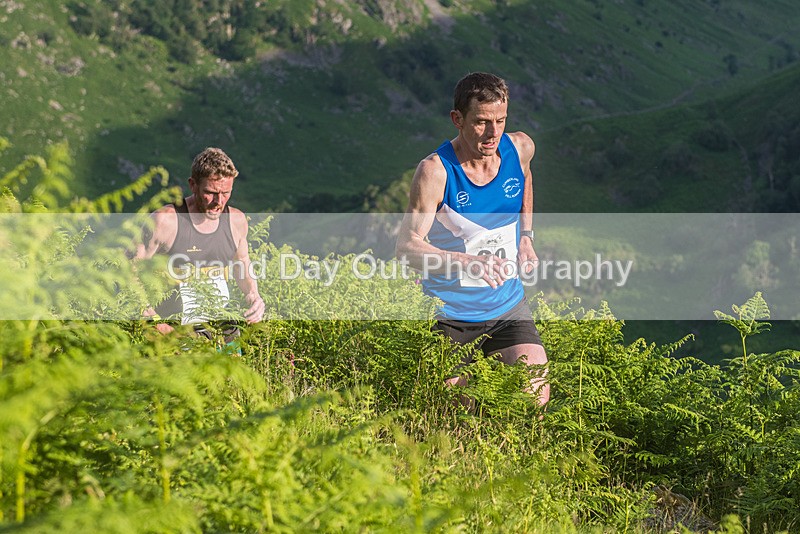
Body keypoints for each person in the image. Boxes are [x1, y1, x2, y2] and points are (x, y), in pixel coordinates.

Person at [395, 72, 549, 406]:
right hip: (449, 313)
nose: (493, 133)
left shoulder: (520, 148)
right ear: (457, 119)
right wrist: (466, 262)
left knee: (535, 399)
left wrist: (526, 237)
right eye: (481, 122)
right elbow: (406, 247)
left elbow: (526, 177)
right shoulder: (436, 172)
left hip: (507, 305)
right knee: (456, 412)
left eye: (500, 120)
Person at [134, 147, 265, 342]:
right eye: (210, 193)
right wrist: (152, 320)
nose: (218, 202)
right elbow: (129, 269)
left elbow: (242, 265)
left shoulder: (236, 221)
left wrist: (254, 296)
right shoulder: (165, 221)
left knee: (232, 373)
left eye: (226, 193)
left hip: (222, 327)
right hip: (172, 330)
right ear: (193, 185)